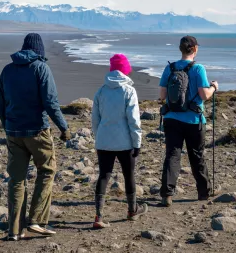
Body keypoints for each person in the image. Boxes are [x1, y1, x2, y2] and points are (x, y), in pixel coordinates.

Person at [0, 33, 71, 241]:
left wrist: (7, 126)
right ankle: (36, 221)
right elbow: (50, 102)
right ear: (40, 51)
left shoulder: (8, 70)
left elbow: (0, 103)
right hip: (37, 130)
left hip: (14, 132)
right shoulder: (41, 68)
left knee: (16, 179)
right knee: (47, 171)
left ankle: (14, 229)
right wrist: (63, 128)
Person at [159, 36, 218, 206]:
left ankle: (167, 194)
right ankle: (203, 193)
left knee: (172, 155)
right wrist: (214, 87)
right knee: (197, 155)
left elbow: (162, 95)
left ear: (180, 49)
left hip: (171, 118)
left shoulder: (169, 68)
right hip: (194, 119)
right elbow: (204, 95)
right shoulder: (198, 68)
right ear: (195, 49)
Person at [91, 54, 148, 229]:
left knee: (104, 175)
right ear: (125, 70)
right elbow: (134, 120)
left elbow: (95, 119)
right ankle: (132, 210)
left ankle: (98, 216)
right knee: (129, 175)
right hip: (125, 142)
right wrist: (137, 142)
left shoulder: (101, 90)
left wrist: (98, 137)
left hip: (104, 141)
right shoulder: (129, 91)